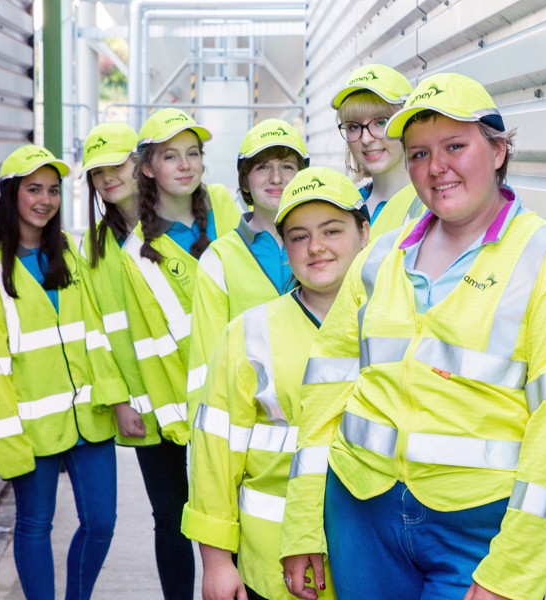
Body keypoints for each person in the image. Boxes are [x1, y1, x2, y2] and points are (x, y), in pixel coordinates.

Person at [281, 74, 546, 600]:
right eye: (420, 154)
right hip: (360, 511)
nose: (436, 168)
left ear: (497, 150)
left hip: (476, 528)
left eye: (455, 146)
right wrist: (304, 522)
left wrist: (514, 572)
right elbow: (325, 393)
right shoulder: (382, 255)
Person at [182, 167, 370, 600]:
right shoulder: (249, 334)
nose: (316, 247)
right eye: (299, 236)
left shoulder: (395, 325)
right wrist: (214, 561)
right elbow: (215, 451)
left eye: (332, 230)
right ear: (284, 248)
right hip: (275, 559)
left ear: (364, 233)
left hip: (374, 554)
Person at [0, 145, 125, 600]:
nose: (45, 199)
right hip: (32, 430)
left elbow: (95, 335)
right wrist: (7, 442)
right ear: (11, 194)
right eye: (33, 189)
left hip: (90, 418)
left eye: (53, 190)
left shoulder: (71, 256)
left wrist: (115, 398)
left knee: (102, 523)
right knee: (35, 525)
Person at [120, 108, 241, 599]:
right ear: (148, 167)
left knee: (232, 516)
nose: (185, 165)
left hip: (235, 389)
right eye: (171, 156)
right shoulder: (136, 250)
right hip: (167, 404)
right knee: (171, 518)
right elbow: (141, 339)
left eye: (193, 154)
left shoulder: (228, 214)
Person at [186, 119, 309, 428]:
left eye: (287, 166)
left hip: (322, 423)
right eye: (263, 167)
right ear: (244, 181)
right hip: (252, 431)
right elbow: (207, 361)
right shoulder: (219, 258)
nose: (276, 177)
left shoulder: (326, 247)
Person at [80, 122, 160, 446]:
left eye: (116, 165)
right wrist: (119, 403)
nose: (107, 177)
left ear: (141, 166)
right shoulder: (93, 244)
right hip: (144, 405)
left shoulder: (175, 226)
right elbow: (95, 329)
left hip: (196, 391)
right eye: (97, 172)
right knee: (165, 499)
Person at [332, 64, 423, 236]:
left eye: (381, 122)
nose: (366, 139)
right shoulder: (347, 203)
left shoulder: (429, 204)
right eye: (353, 126)